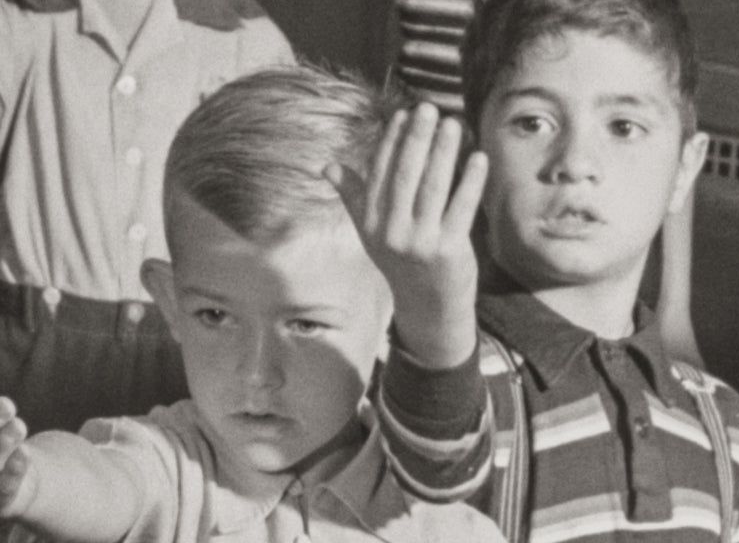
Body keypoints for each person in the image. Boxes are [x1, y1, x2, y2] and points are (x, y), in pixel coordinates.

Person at [329, 0, 739, 541]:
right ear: (475, 151)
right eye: (532, 122)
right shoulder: (449, 379)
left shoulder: (728, 429)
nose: (575, 159)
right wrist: (430, 314)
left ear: (686, 168)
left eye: (623, 125)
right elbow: (431, 471)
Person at [0, 65, 507, 543]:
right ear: (171, 304)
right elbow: (105, 480)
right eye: (215, 316)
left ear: (392, 316)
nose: (257, 373)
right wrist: (29, 479)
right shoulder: (176, 467)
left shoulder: (435, 517)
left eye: (305, 324)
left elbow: (449, 445)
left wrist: (439, 308)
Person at [0, 0, 294, 434]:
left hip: (190, 373)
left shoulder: (245, 36)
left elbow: (282, 231)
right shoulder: (16, 15)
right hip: (29, 373)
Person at [385, 0, 702, 369]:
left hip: (515, 178)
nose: (575, 163)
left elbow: (657, 60)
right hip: (444, 191)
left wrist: (674, 312)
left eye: (622, 127)